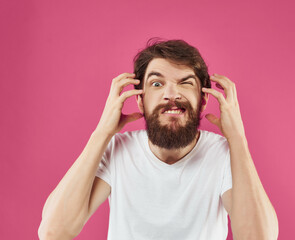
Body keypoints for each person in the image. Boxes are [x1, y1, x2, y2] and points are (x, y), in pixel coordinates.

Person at [38, 38, 278, 240]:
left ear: (203, 100)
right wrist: (102, 133)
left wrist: (238, 139)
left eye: (185, 83)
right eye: (156, 83)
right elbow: (53, 231)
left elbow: (259, 237)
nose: (171, 94)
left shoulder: (223, 153)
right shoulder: (118, 150)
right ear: (140, 100)